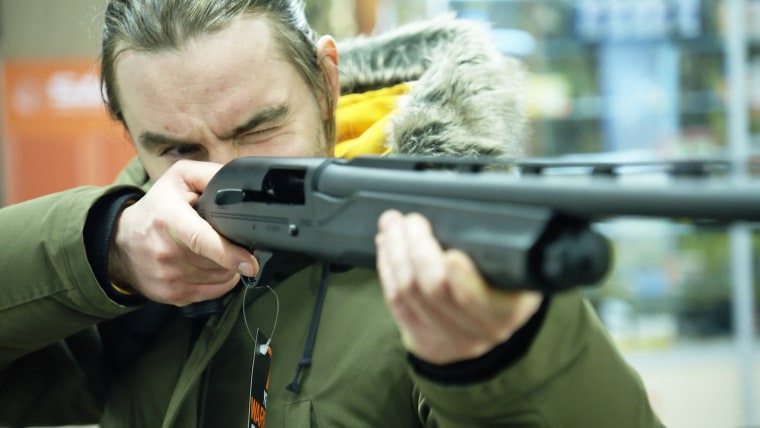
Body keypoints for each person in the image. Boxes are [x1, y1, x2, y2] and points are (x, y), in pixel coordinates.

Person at [0, 0, 664, 426]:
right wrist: (101, 250)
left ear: (325, 81)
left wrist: (505, 359)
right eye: (176, 148)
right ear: (126, 127)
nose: (222, 171)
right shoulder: (131, 266)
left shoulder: (456, 244)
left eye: (259, 128)